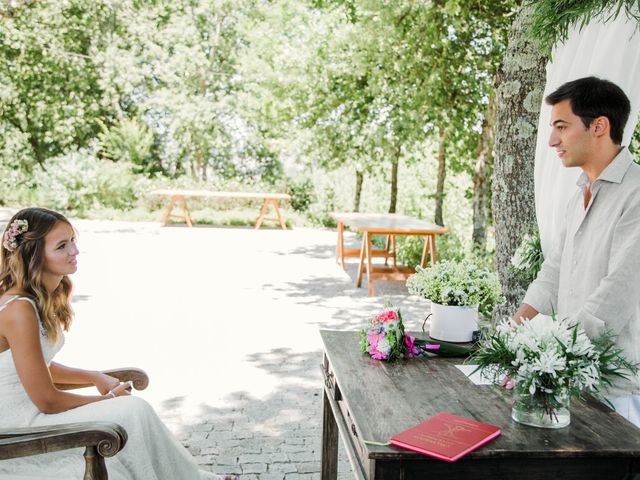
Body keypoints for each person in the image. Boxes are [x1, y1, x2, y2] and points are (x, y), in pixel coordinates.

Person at [0, 207, 236, 479]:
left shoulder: (32, 300)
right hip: (18, 425)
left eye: (72, 240)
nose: (74, 251)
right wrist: (107, 399)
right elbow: (47, 400)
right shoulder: (19, 309)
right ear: (34, 255)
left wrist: (94, 376)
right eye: (61, 246)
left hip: (30, 413)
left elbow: (32, 366)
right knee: (131, 410)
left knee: (131, 412)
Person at [512, 76, 640, 426]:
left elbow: (615, 296)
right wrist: (514, 333)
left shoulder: (636, 196)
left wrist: (548, 353)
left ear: (599, 126)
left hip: (618, 393)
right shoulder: (578, 195)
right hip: (572, 381)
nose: (553, 140)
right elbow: (553, 272)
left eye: (562, 127)